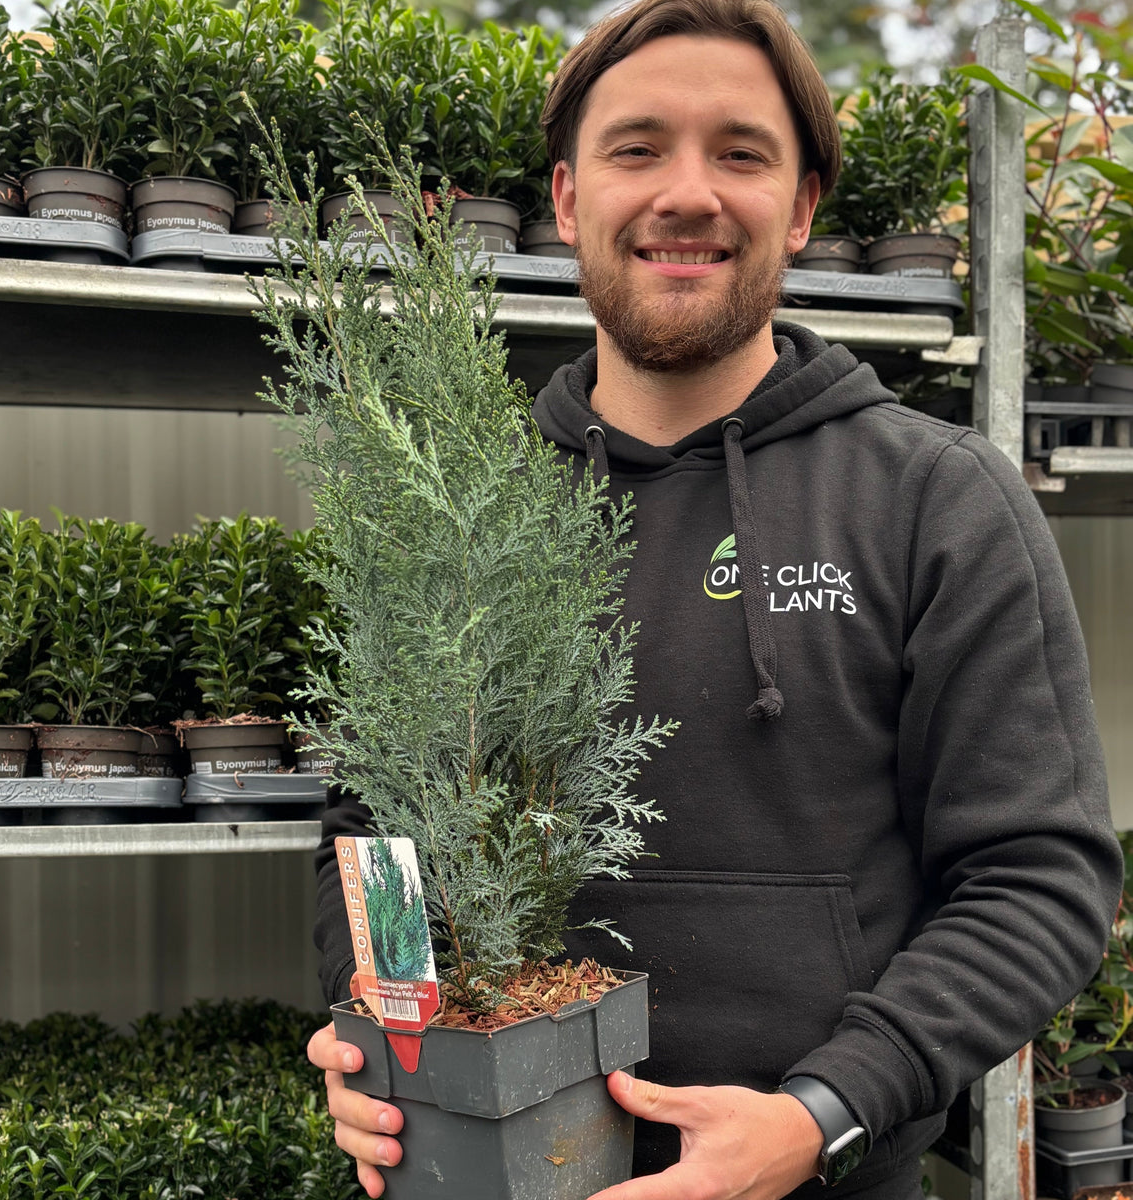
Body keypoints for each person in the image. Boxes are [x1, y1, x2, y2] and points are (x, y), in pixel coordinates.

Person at [306, 0, 1124, 1196]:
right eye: (637, 149)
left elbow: (1038, 878)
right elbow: (371, 846)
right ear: (572, 196)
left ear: (800, 208)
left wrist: (823, 1113)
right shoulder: (452, 518)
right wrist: (373, 1034)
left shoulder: (934, 500)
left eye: (740, 153)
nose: (687, 193)